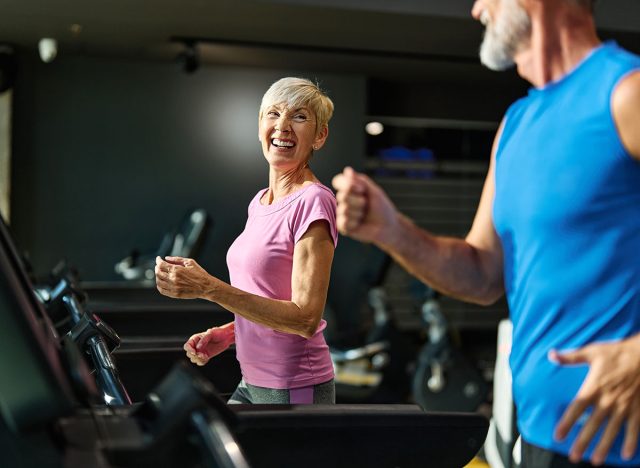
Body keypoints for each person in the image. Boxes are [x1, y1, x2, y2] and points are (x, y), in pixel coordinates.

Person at [332, 0, 640, 466]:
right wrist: (392, 231)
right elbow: (481, 275)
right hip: (541, 438)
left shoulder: (626, 93)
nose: (477, 10)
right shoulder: (516, 125)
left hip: (623, 444)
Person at [155, 77, 338, 404]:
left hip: (294, 385)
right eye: (273, 113)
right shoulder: (260, 201)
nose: (282, 126)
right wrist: (231, 333)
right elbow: (271, 296)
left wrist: (208, 288)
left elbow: (305, 319)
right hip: (251, 379)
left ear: (319, 136)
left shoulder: (314, 201)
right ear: (259, 127)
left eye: (299, 117)